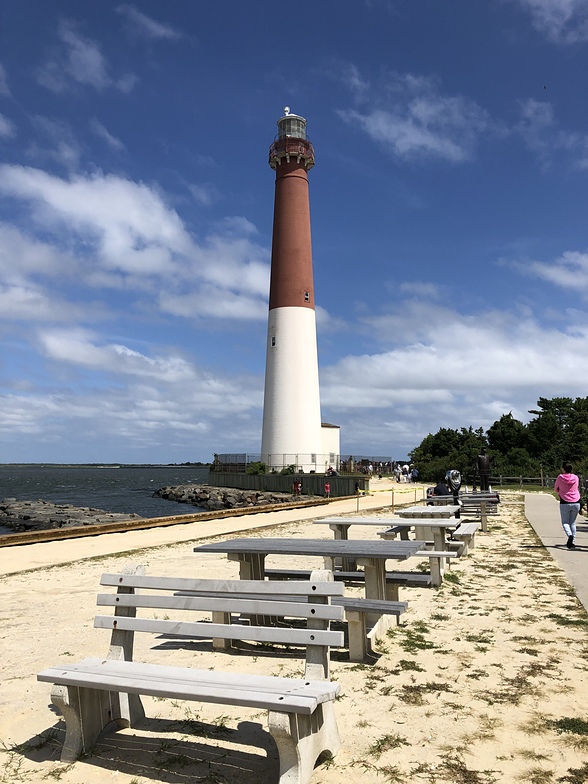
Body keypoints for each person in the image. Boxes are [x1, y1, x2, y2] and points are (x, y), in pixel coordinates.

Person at [554, 462, 581, 549]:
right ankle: (572, 542)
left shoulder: (560, 477)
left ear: (563, 469)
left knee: (565, 522)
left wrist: (560, 491)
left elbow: (555, 488)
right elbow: (577, 486)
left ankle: (570, 535)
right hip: (576, 501)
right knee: (572, 522)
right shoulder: (576, 477)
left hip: (565, 501)